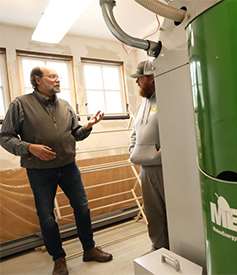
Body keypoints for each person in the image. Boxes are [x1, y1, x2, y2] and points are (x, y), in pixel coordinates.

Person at [0, 67, 112, 275]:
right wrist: (29, 148)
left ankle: (89, 249)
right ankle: (58, 258)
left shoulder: (66, 105)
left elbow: (75, 134)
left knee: (82, 208)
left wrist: (87, 127)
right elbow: (5, 137)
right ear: (37, 80)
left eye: (58, 76)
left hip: (68, 166)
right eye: (52, 76)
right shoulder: (20, 104)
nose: (57, 80)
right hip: (39, 171)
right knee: (47, 216)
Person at [129, 60, 169, 250]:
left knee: (173, 211)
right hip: (146, 169)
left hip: (166, 169)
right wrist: (132, 150)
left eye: (140, 79)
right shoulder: (143, 104)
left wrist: (164, 153)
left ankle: (177, 248)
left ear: (151, 78)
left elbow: (177, 130)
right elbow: (135, 132)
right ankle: (159, 247)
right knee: (153, 212)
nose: (137, 82)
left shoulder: (169, 98)